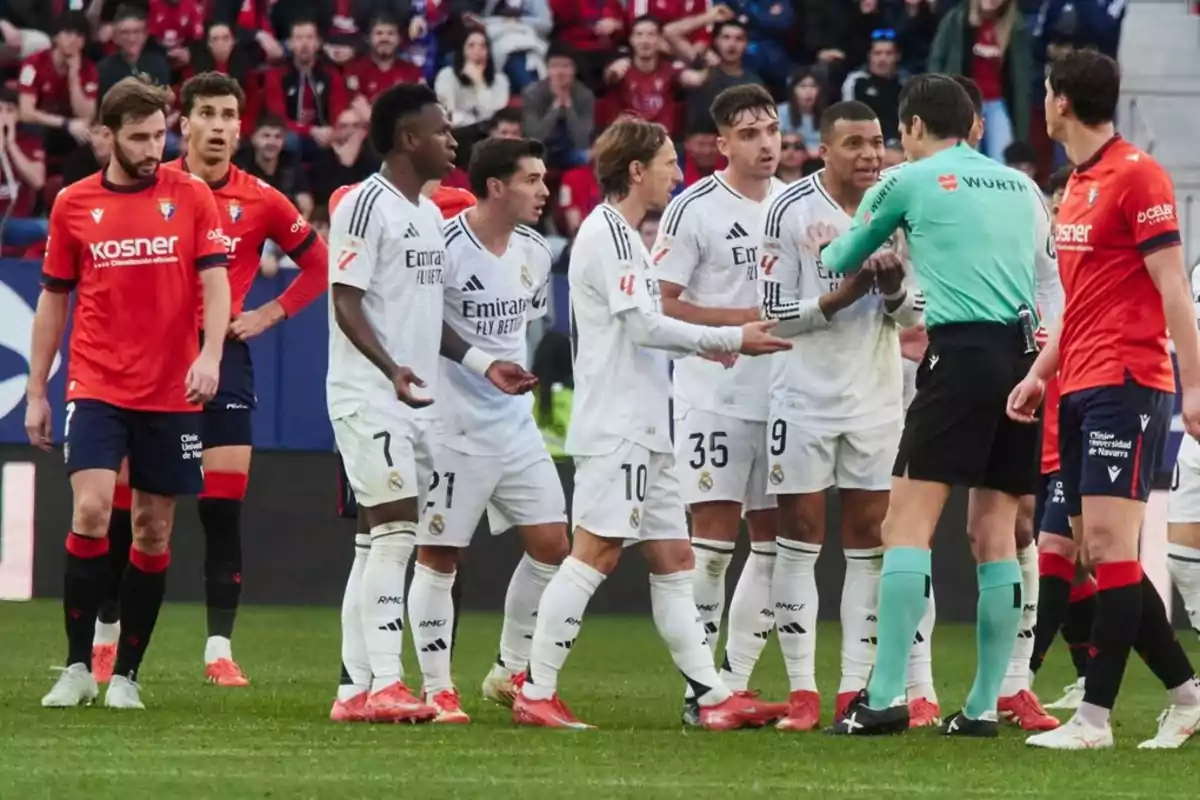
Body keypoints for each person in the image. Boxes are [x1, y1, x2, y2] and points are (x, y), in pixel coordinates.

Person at [512, 116, 792, 730]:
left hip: (648, 422)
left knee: (674, 558)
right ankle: (535, 689)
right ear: (636, 171)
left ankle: (711, 697)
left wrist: (705, 346)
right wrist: (726, 337)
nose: (677, 173)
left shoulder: (628, 236)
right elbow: (641, 324)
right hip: (617, 425)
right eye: (668, 162)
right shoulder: (607, 235)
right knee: (595, 554)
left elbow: (642, 331)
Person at [814, 74, 1056, 737]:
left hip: (957, 354)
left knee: (907, 525)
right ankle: (980, 706)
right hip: (1021, 359)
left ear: (912, 127)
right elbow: (1050, 281)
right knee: (995, 533)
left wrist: (855, 247)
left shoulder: (907, 179)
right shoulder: (1024, 186)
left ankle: (886, 695)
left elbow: (840, 256)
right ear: (974, 125)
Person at [91, 72, 330, 687]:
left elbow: (319, 264)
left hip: (223, 359)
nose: (220, 126)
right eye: (207, 114)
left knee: (221, 510)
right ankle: (106, 636)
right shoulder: (155, 185)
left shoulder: (263, 199)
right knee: (128, 512)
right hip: (150, 362)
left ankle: (218, 649)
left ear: (240, 126)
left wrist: (269, 314)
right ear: (185, 124)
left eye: (229, 115)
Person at [325, 83, 533, 724]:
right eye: (441, 130)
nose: (452, 141)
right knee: (394, 536)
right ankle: (387, 682)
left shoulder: (424, 216)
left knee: (374, 545)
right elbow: (345, 299)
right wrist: (390, 370)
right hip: (371, 396)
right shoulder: (366, 206)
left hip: (413, 397)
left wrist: (480, 361)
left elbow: (424, 317)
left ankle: (354, 691)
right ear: (407, 138)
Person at [1011, 50, 1200, 750]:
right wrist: (1039, 373)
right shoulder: (1083, 182)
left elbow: (1173, 287)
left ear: (1060, 101)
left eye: (1048, 91)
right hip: (1080, 382)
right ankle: (1187, 695)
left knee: (1112, 548)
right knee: (1098, 551)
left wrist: (1195, 387)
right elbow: (1080, 302)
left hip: (1128, 382)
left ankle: (1093, 719)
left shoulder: (1136, 174)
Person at [30, 76, 230, 710]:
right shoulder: (72, 204)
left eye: (159, 134)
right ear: (105, 136)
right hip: (95, 382)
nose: (154, 146)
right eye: (139, 136)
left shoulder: (192, 196)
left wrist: (211, 353)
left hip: (171, 388)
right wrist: (38, 388)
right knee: (90, 511)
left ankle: (127, 677)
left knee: (151, 528)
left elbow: (217, 284)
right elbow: (53, 298)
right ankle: (76, 665)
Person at [759, 100, 923, 730]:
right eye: (853, 144)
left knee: (868, 545)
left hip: (877, 397)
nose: (869, 155)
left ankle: (854, 687)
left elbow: (914, 317)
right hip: (801, 396)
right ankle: (802, 689)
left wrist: (890, 291)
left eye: (876, 142)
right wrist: (847, 291)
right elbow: (773, 313)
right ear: (823, 151)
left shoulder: (897, 204)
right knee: (798, 538)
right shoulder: (789, 209)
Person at [409, 137, 569, 724]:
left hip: (514, 424)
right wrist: (483, 365)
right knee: (440, 555)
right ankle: (436, 686)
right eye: (532, 180)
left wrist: (517, 372)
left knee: (554, 546)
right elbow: (424, 324)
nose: (544, 191)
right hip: (454, 425)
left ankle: (509, 670)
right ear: (496, 187)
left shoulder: (534, 250)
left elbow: (524, 329)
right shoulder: (446, 246)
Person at [651, 84, 786, 726]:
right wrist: (741, 325)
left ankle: (732, 681)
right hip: (713, 396)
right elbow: (663, 302)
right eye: (751, 134)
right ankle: (698, 692)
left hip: (783, 398)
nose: (766, 144)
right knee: (712, 542)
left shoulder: (793, 205)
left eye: (772, 130)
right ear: (722, 143)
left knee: (776, 543)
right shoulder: (693, 209)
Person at [1025, 165, 1097, 713]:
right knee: (1071, 558)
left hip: (1076, 429)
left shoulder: (1088, 274)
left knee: (1057, 552)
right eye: (1053, 207)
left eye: (1062, 207)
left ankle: (1023, 672)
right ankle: (1089, 671)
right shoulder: (1032, 273)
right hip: (1038, 432)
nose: (1056, 217)